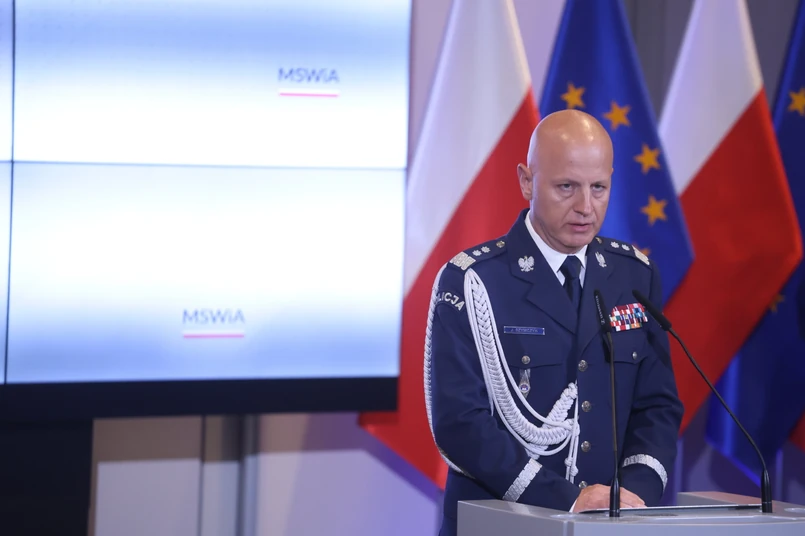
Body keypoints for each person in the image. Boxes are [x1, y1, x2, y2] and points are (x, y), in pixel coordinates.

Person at [425, 109, 683, 535]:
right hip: (503, 524)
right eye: (567, 187)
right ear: (527, 182)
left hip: (610, 526)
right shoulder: (473, 281)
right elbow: (460, 423)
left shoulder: (634, 276)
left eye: (598, 188)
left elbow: (657, 406)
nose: (585, 207)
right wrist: (568, 501)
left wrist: (632, 496)